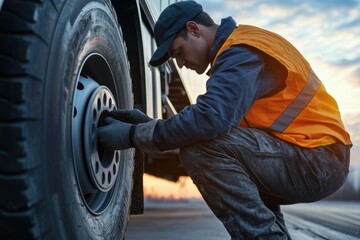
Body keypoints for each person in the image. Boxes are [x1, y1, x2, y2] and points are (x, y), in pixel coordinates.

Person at [97, 1, 352, 239]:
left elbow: (210, 119)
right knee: (213, 145)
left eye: (178, 52)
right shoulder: (241, 48)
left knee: (200, 149)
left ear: (194, 30)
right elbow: (219, 129)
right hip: (310, 153)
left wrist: (133, 136)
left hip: (318, 158)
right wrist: (146, 125)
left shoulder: (240, 52)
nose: (181, 64)